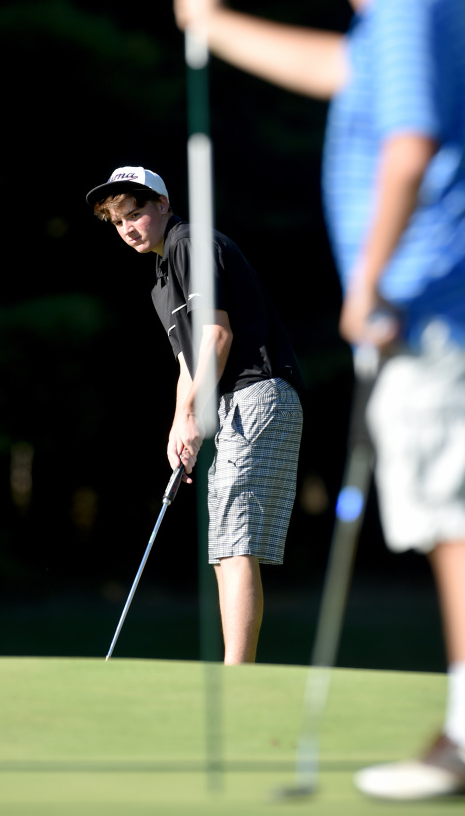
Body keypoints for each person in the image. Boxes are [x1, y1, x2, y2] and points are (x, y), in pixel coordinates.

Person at [173, 0, 465, 800]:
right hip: (460, 298)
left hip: (442, 300)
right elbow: (342, 71)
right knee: (458, 516)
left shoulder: (410, 8)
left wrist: (370, 279)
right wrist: (217, 25)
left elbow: (409, 143)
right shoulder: (415, 3)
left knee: (462, 519)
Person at [86, 165, 303, 665]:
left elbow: (218, 337)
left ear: (163, 205)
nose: (129, 229)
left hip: (259, 392)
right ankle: (236, 669)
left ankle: (237, 674)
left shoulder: (188, 243)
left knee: (237, 539)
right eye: (119, 223)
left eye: (136, 214)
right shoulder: (162, 283)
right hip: (230, 403)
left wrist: (192, 413)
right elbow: (191, 361)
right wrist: (179, 423)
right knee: (226, 542)